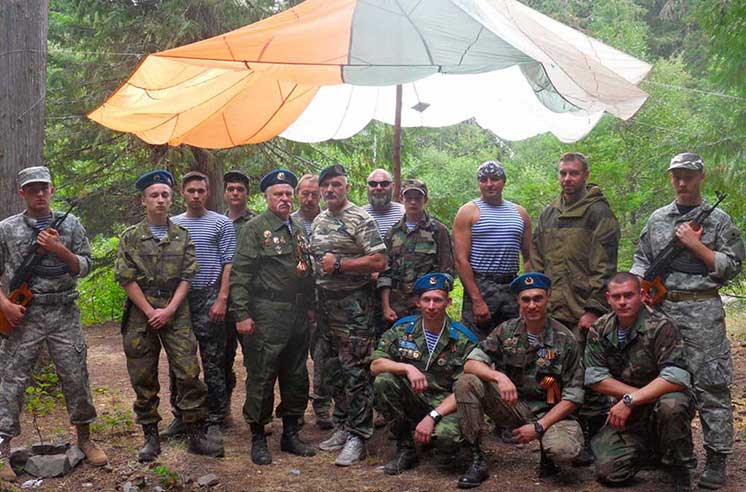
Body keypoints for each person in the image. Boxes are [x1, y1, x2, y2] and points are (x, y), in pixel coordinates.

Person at [630, 152, 745, 489]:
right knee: (662, 382)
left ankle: (717, 458)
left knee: (712, 384)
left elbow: (733, 266)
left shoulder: (720, 221)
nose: (682, 182)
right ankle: (667, 454)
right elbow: (641, 258)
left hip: (703, 313)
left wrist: (698, 247)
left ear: (701, 178)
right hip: (662, 312)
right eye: (676, 176)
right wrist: (641, 284)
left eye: (688, 176)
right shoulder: (658, 218)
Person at [0, 166, 107, 481]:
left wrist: (59, 250)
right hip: (22, 316)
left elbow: (85, 264)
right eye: (32, 189)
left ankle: (85, 439)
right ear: (23, 193)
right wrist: (5, 305)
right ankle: (2, 449)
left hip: (63, 313)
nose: (39, 194)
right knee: (10, 382)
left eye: (44, 188)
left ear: (52, 189)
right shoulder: (6, 229)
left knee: (76, 376)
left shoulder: (70, 224)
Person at [114, 170, 222, 461]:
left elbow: (187, 276)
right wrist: (151, 311)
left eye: (165, 195)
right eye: (154, 195)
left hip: (176, 310)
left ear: (171, 199)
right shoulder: (131, 237)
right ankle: (150, 437)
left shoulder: (181, 236)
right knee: (143, 374)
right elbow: (126, 278)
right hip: (141, 313)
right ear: (143, 200)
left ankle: (195, 433)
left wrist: (171, 309)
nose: (160, 200)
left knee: (188, 372)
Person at [454, 273, 584, 489]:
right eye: (526, 300)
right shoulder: (506, 331)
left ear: (547, 298)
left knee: (564, 451)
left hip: (552, 412)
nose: (532, 305)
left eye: (537, 298)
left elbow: (574, 396)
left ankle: (549, 455)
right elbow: (470, 363)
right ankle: (476, 457)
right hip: (515, 406)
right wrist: (499, 376)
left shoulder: (565, 339)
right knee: (467, 382)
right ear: (518, 301)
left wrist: (539, 427)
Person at [530, 151, 620, 464]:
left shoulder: (598, 213)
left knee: (589, 376)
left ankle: (594, 438)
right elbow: (537, 257)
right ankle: (558, 435)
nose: (567, 179)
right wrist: (538, 302)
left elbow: (606, 266)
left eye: (574, 173)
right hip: (552, 312)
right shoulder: (549, 213)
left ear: (585, 175)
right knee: (550, 370)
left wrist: (594, 309)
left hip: (583, 311)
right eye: (563, 173)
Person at [230, 169, 317, 465]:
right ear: (266, 197)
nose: (284, 199)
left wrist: (309, 307)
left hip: (297, 314)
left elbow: (306, 272)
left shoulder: (299, 229)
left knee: (296, 375)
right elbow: (240, 275)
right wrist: (241, 314)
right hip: (265, 313)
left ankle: (291, 433)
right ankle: (258, 436)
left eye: (288, 194)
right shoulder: (255, 229)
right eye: (278, 194)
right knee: (262, 375)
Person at [585, 273, 695, 491]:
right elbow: (596, 378)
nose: (623, 302)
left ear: (642, 295)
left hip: (661, 402)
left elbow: (676, 377)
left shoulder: (662, 326)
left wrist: (629, 399)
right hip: (633, 410)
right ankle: (650, 449)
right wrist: (635, 400)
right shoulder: (600, 329)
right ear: (608, 298)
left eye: (629, 295)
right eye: (616, 297)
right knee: (610, 474)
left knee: (672, 406)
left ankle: (679, 466)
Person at [309, 164, 386, 466]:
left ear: (346, 187)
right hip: (326, 305)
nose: (330, 190)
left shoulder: (359, 218)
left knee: (356, 372)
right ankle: (342, 425)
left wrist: (341, 265)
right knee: (332, 371)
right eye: (325, 185)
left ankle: (359, 436)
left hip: (354, 306)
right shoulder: (319, 219)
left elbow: (379, 260)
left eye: (336, 184)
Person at [372, 273, 477, 475]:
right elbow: (376, 364)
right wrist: (407, 368)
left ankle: (448, 441)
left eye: (437, 300)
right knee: (384, 380)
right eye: (426, 300)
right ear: (417, 302)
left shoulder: (463, 338)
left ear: (448, 302)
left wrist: (433, 416)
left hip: (445, 406)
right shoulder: (403, 330)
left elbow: (468, 388)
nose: (431, 306)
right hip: (414, 400)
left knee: (447, 443)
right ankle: (405, 448)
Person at [163, 171, 236, 444]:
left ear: (208, 192)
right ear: (182, 193)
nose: (196, 195)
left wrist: (222, 298)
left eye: (200, 191)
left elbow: (229, 262)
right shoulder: (172, 224)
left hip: (209, 295)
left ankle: (216, 417)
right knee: (179, 360)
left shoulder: (221, 224)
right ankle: (182, 414)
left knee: (214, 360)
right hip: (179, 300)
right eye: (191, 190)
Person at [453, 160, 532, 340]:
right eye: (484, 180)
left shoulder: (520, 213)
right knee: (474, 345)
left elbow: (529, 257)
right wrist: (477, 299)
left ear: (503, 181)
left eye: (494, 179)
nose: (489, 184)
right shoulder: (468, 212)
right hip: (480, 285)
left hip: (511, 285)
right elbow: (460, 260)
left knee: (513, 343)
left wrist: (526, 293)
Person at [379, 179, 454, 324]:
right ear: (401, 199)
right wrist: (386, 306)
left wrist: (435, 301)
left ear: (425, 199)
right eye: (409, 198)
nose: (413, 202)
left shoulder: (438, 231)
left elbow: (447, 271)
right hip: (396, 309)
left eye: (418, 198)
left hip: (428, 307)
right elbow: (385, 274)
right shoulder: (392, 233)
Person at [290, 173, 331, 429]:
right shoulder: (288, 222)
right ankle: (294, 408)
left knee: (322, 357)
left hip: (324, 299)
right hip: (294, 300)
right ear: (297, 194)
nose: (309, 198)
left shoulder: (329, 221)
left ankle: (323, 407)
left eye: (314, 193)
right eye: (304, 193)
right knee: (293, 357)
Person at [222, 170, 257, 419]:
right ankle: (222, 408)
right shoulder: (217, 222)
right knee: (221, 357)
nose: (235, 193)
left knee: (255, 360)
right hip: (222, 301)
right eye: (231, 189)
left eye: (240, 189)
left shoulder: (257, 223)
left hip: (250, 302)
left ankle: (255, 411)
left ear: (247, 193)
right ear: (224, 193)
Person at [362, 168, 405, 239]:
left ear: (393, 186)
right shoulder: (359, 215)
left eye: (384, 184)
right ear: (367, 187)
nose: (378, 188)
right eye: (373, 184)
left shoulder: (404, 213)